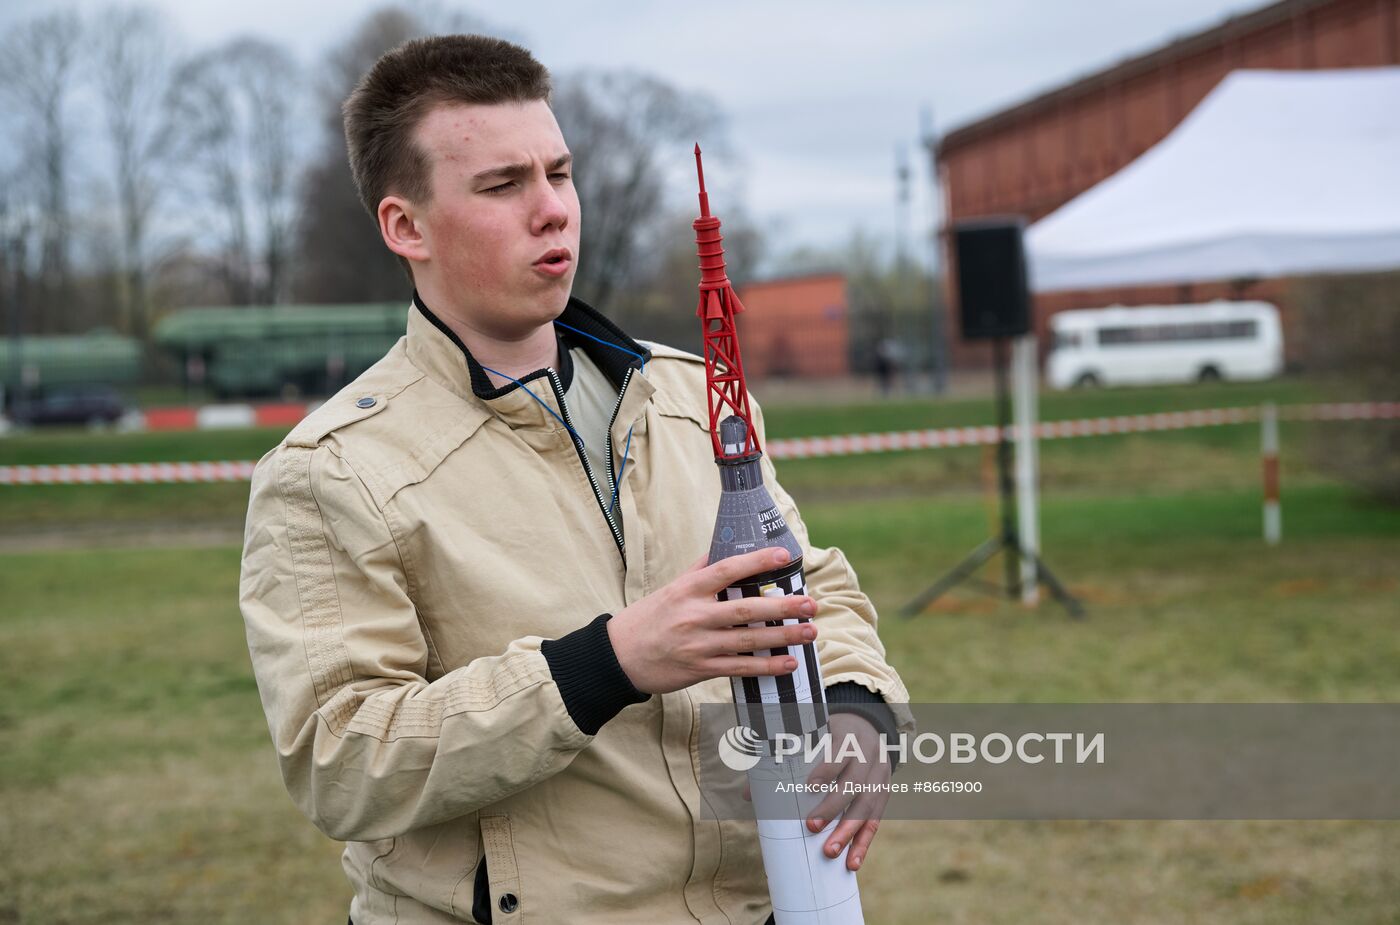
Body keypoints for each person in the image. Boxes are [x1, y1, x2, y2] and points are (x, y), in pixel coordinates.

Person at [239, 34, 911, 925]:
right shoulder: (331, 473)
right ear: (405, 226)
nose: (552, 209)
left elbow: (808, 585)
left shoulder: (686, 397)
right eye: (502, 185)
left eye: (560, 173)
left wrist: (862, 710)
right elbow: (341, 758)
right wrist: (607, 664)